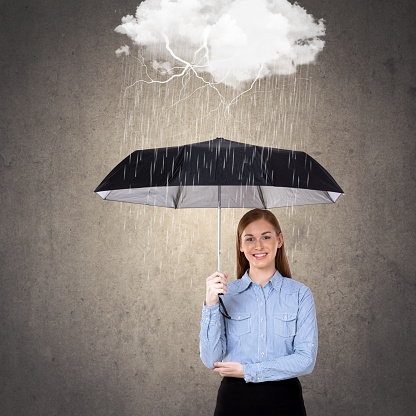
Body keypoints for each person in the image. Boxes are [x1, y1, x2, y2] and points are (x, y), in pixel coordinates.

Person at [199, 208, 318, 416]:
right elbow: (211, 360)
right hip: (234, 403)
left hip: (285, 402)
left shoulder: (300, 294)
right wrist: (211, 304)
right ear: (240, 245)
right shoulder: (226, 294)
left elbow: (305, 359)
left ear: (279, 240)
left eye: (266, 236)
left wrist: (249, 371)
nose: (258, 245)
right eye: (250, 238)